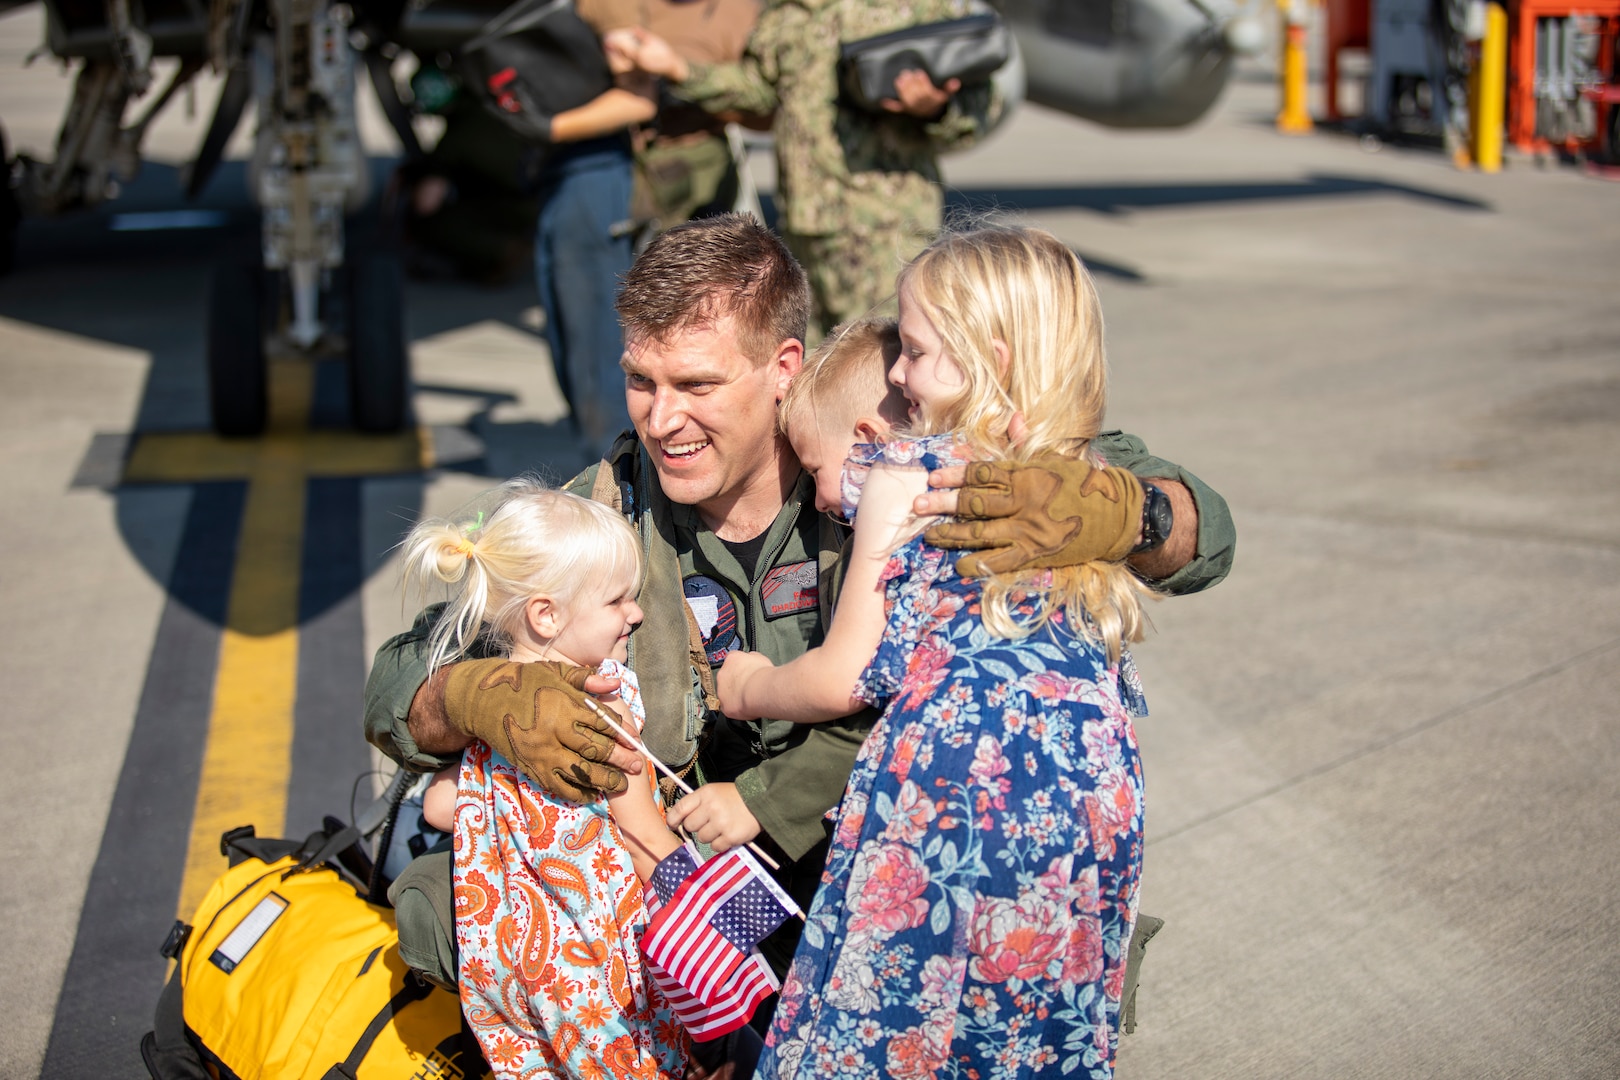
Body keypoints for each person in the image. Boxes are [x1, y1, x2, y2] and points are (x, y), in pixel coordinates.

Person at [363, 214, 1235, 995]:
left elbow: (1204, 531)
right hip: (693, 872)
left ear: (784, 368)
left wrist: (1136, 512)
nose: (663, 421)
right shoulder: (604, 511)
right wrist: (473, 696)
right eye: (642, 382)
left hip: (877, 857)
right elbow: (400, 683)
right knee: (447, 909)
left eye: (697, 386)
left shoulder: (877, 439)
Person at [718, 224, 1150, 1079]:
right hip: (1094, 784)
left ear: (984, 355)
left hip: (952, 779)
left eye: (913, 352)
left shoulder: (904, 475)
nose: (900, 375)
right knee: (1028, 1017)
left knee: (889, 1019)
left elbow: (844, 675)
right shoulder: (1078, 479)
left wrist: (750, 687)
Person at [398, 480, 691, 1078]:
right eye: (617, 601)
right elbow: (642, 836)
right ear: (546, 614)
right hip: (601, 965)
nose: (634, 613)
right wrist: (709, 898)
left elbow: (437, 806)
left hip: (515, 969)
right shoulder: (604, 706)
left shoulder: (490, 714)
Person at [606, 0, 999, 339]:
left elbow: (982, 103)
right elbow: (760, 89)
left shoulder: (918, 5)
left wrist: (934, 108)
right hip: (801, 224)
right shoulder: (787, 9)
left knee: (888, 363)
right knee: (809, 372)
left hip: (882, 228)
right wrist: (678, 68)